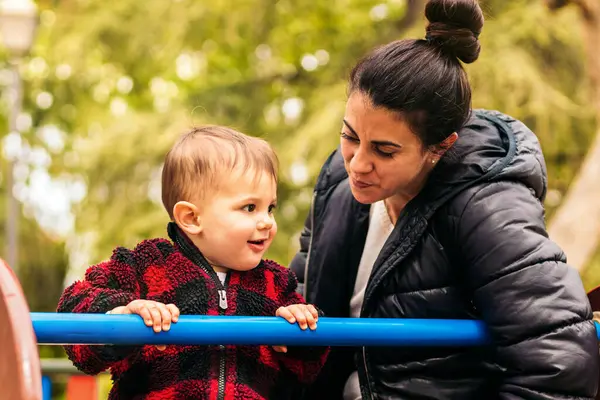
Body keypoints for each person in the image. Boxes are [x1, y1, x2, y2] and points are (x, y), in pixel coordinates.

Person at [290, 0, 599, 399]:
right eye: (350, 136)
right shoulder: (337, 181)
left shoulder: (488, 207)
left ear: (440, 147)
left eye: (384, 150)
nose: (357, 164)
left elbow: (560, 363)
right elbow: (294, 293)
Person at [57, 126, 329, 399]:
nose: (267, 222)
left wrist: (300, 332)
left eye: (270, 208)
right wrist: (122, 315)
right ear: (191, 218)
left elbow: (310, 369)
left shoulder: (275, 284)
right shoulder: (148, 267)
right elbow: (74, 309)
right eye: (250, 208)